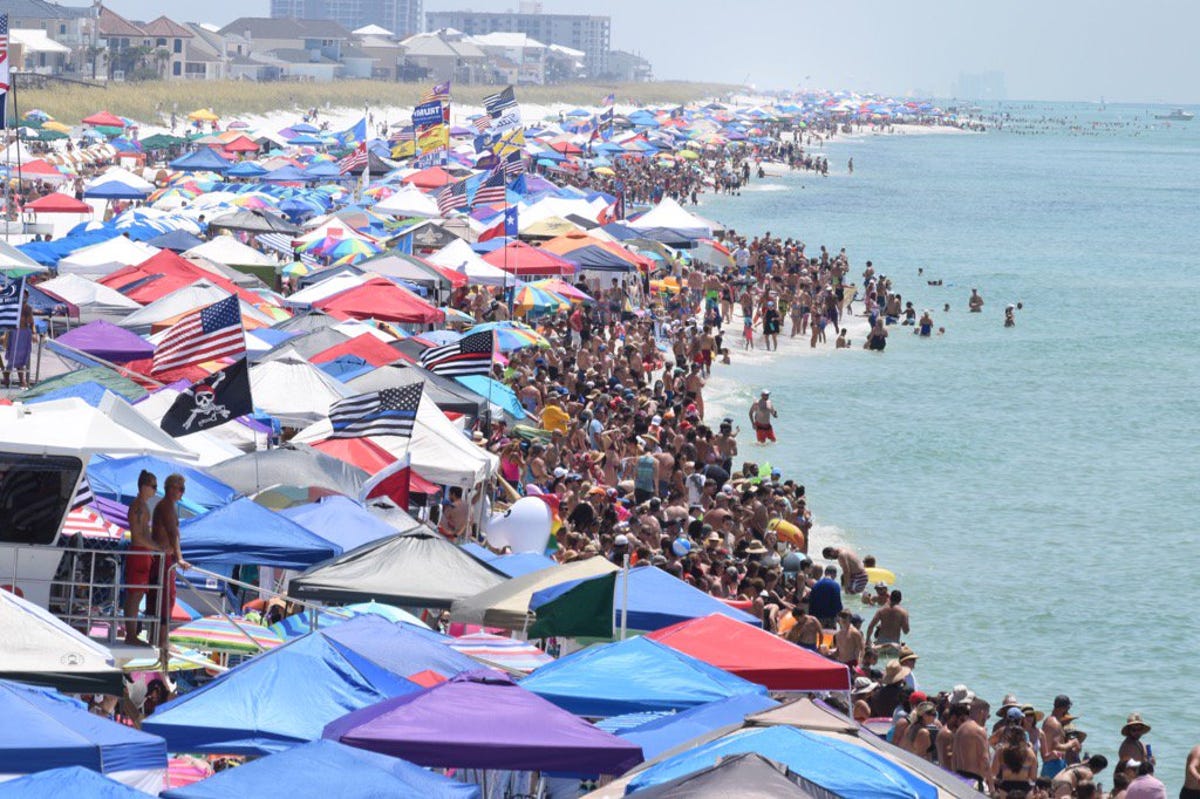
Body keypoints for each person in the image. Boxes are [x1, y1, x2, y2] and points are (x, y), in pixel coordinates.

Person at [150, 474, 190, 668]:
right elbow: (173, 533)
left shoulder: (168, 506)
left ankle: (161, 638)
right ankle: (162, 640)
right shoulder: (165, 506)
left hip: (165, 557)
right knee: (165, 597)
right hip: (164, 558)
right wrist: (180, 557)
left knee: (167, 598)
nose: (179, 492)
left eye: (181, 489)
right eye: (176, 488)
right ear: (167, 488)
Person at [123, 470, 161, 646]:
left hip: (142, 553)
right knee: (134, 595)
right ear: (144, 486)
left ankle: (131, 634)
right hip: (139, 553)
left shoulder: (142, 506)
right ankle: (130, 635)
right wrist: (158, 547)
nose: (155, 490)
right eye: (153, 486)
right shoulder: (138, 506)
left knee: (137, 596)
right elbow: (138, 537)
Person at [993, 711, 1038, 798]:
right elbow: (1033, 777)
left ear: (1008, 736)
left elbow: (993, 773)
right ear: (1024, 738)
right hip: (1025, 789)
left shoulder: (1001, 751)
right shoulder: (1030, 752)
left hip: (1005, 788)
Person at [953, 697, 992, 793]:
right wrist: (991, 787)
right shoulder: (979, 730)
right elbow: (985, 760)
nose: (986, 719)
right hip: (973, 780)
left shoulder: (960, 729)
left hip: (958, 777)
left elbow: (954, 757)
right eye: (987, 716)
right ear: (982, 712)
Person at [1041, 695, 1079, 778]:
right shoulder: (1055, 724)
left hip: (1052, 763)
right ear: (1063, 708)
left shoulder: (1049, 720)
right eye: (1068, 708)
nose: (1068, 711)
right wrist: (1072, 743)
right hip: (1054, 764)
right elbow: (1056, 746)